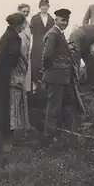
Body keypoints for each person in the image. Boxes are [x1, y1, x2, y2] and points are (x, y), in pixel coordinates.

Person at [39, 8, 85, 141]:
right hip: (56, 76)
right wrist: (49, 70)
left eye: (67, 20)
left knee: (63, 106)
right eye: (62, 20)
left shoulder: (59, 33)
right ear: (56, 20)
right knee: (53, 107)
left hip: (63, 77)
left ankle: (61, 134)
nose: (65, 22)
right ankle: (49, 136)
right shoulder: (53, 34)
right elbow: (47, 56)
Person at [0, 12, 25, 151]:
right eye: (22, 25)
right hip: (4, 75)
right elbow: (13, 58)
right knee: (3, 106)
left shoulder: (6, 35)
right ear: (18, 25)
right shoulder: (15, 38)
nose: (23, 27)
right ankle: (2, 139)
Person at [30, 0, 55, 90]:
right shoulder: (34, 18)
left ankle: (45, 85)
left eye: (46, 6)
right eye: (43, 6)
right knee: (36, 64)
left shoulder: (51, 19)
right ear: (39, 7)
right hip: (37, 45)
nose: (44, 8)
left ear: (48, 7)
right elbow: (31, 31)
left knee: (46, 62)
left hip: (47, 44)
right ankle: (34, 86)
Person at [17, 3, 33, 93]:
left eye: (28, 12)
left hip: (26, 53)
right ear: (19, 11)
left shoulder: (27, 24)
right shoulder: (16, 24)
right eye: (24, 11)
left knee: (26, 77)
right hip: (18, 52)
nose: (26, 13)